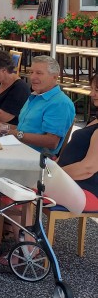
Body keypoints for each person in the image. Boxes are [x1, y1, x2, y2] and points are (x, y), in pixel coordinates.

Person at [0, 56, 75, 154]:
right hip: (17, 149)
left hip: (36, 158)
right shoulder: (35, 96)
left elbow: (51, 142)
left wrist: (14, 133)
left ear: (54, 77)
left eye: (39, 73)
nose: (32, 77)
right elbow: (25, 129)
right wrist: (4, 127)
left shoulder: (60, 103)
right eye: (31, 72)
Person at [58, 74, 98, 211]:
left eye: (97, 90)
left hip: (86, 190)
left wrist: (53, 174)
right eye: (92, 89)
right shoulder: (95, 119)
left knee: (24, 186)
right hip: (73, 183)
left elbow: (88, 169)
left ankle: (17, 225)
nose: (91, 94)